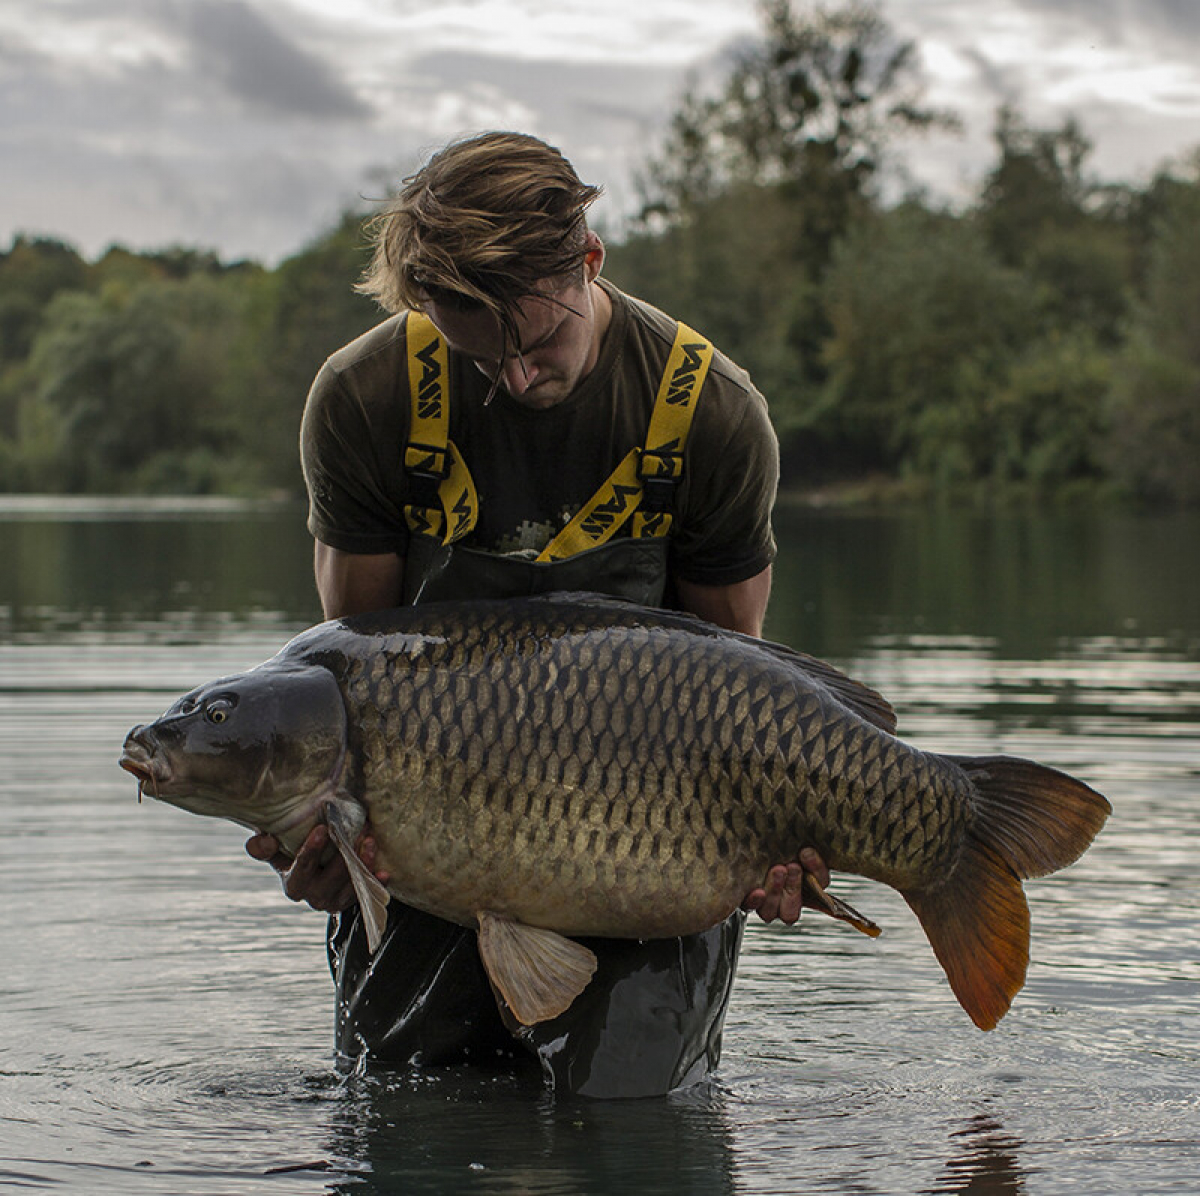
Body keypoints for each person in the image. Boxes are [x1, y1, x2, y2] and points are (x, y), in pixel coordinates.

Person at [246, 131, 829, 1098]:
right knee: (413, 1111)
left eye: (539, 342)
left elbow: (739, 686)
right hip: (430, 849)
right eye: (481, 357)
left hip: (645, 850)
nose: (515, 379)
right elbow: (351, 683)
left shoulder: (712, 414)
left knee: (630, 1116)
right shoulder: (365, 396)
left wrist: (771, 850)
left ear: (589, 261)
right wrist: (326, 844)